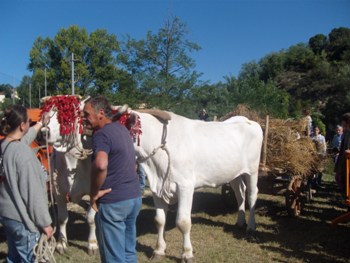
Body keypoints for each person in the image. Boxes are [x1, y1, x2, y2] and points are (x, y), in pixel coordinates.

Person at [83, 96, 142, 263]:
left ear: (100, 113)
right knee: (128, 252)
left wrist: (94, 193)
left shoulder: (101, 135)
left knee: (113, 258)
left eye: (87, 114)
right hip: (133, 198)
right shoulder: (121, 129)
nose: (84, 119)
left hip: (114, 203)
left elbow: (101, 164)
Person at [0, 105, 53, 263]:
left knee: (14, 257)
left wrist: (40, 123)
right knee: (32, 258)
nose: (30, 124)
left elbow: (24, 138)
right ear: (22, 125)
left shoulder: (5, 146)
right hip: (22, 219)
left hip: (8, 215)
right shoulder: (23, 154)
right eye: (29, 121)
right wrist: (45, 223)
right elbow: (32, 193)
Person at [335, 113, 350, 195]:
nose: (342, 123)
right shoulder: (346, 133)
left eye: (343, 122)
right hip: (344, 163)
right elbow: (342, 150)